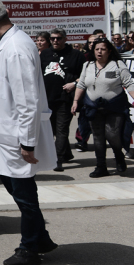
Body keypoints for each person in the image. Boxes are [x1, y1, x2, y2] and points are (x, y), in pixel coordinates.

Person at [0, 0, 58, 265]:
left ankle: (30, 247)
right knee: (15, 188)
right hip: (6, 133)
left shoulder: (16, 48)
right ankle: (41, 238)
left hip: (16, 136)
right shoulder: (9, 43)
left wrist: (27, 142)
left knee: (24, 193)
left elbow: (27, 100)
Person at [71, 37, 134, 177]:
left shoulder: (118, 65)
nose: (99, 52)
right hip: (93, 108)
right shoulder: (87, 65)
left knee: (112, 135)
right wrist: (75, 101)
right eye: (97, 49)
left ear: (109, 51)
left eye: (103, 49)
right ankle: (101, 167)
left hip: (114, 107)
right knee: (98, 138)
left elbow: (129, 84)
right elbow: (81, 84)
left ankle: (119, 157)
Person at [41, 28, 85, 172]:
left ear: (65, 39)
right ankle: (66, 153)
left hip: (65, 99)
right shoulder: (45, 53)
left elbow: (84, 75)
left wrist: (75, 83)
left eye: (58, 38)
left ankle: (57, 159)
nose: (55, 41)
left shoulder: (76, 55)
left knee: (61, 129)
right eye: (52, 38)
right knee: (52, 129)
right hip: (47, 98)